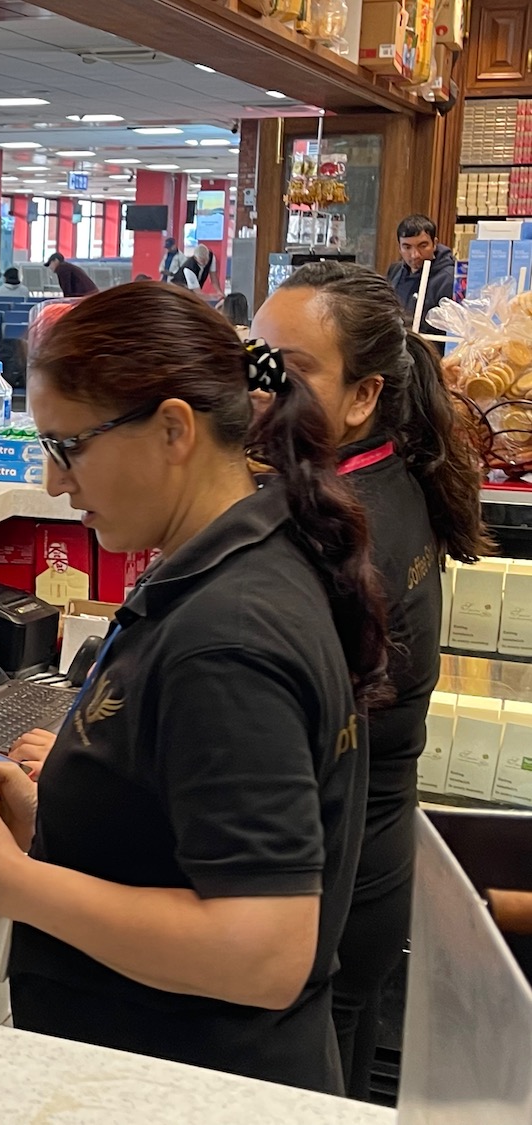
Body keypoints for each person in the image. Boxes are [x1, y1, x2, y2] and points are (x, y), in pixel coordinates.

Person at [0, 281, 385, 1094]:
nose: (53, 481)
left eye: (68, 445)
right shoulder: (235, 560)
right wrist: (56, 823)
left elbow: (264, 951)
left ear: (174, 429)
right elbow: (192, 843)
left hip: (200, 1082)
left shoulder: (228, 634)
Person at [251, 261, 489, 1100]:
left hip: (331, 891)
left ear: (363, 396)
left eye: (293, 368)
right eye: (257, 358)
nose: (261, 386)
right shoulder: (385, 482)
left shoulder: (332, 534)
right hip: (372, 871)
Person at [386, 214, 456, 338]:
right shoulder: (395, 271)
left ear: (434, 244)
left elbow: (450, 331)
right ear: (399, 247)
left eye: (423, 246)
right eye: (407, 247)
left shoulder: (449, 279)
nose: (415, 255)